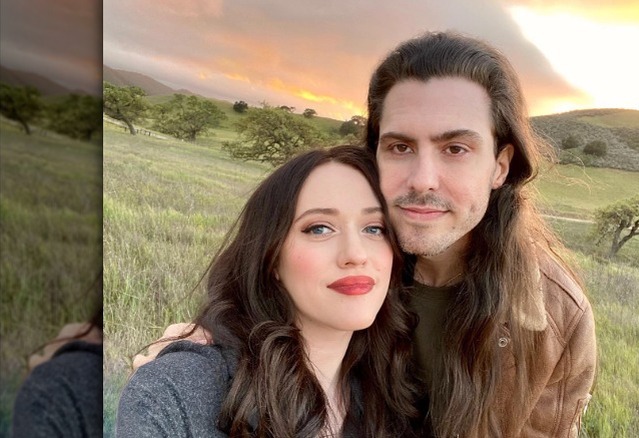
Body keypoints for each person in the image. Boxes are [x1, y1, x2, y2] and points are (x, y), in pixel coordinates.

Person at [135, 31, 597, 437]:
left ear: (499, 165)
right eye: (400, 146)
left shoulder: (555, 317)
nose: (423, 179)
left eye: (455, 148)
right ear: (374, 152)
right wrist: (205, 347)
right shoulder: (361, 262)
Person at [116, 146, 419, 437]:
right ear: (271, 257)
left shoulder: (391, 397)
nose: (356, 254)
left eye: (375, 228)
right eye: (319, 228)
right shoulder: (175, 391)